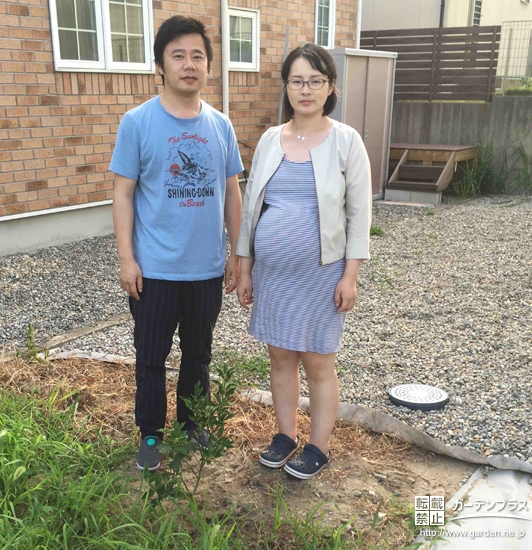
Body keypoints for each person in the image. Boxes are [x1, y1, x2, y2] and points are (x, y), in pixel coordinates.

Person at [110, 16, 243, 471]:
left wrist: (236, 254)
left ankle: (191, 426)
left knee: (198, 354)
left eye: (198, 56)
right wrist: (127, 258)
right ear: (160, 66)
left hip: (205, 269)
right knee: (149, 356)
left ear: (208, 66)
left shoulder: (221, 125)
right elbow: (123, 193)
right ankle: (150, 435)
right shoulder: (137, 122)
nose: (190, 64)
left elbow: (231, 192)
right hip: (155, 270)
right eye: (178, 55)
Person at [236, 43, 371, 480]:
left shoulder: (346, 140)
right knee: (279, 359)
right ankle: (285, 435)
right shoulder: (272, 139)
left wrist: (350, 275)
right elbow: (252, 206)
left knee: (318, 362)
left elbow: (358, 214)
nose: (305, 89)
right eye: (297, 80)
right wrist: (244, 266)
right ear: (286, 87)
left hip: (322, 274)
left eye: (315, 80)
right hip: (274, 274)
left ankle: (320, 445)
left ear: (331, 87)